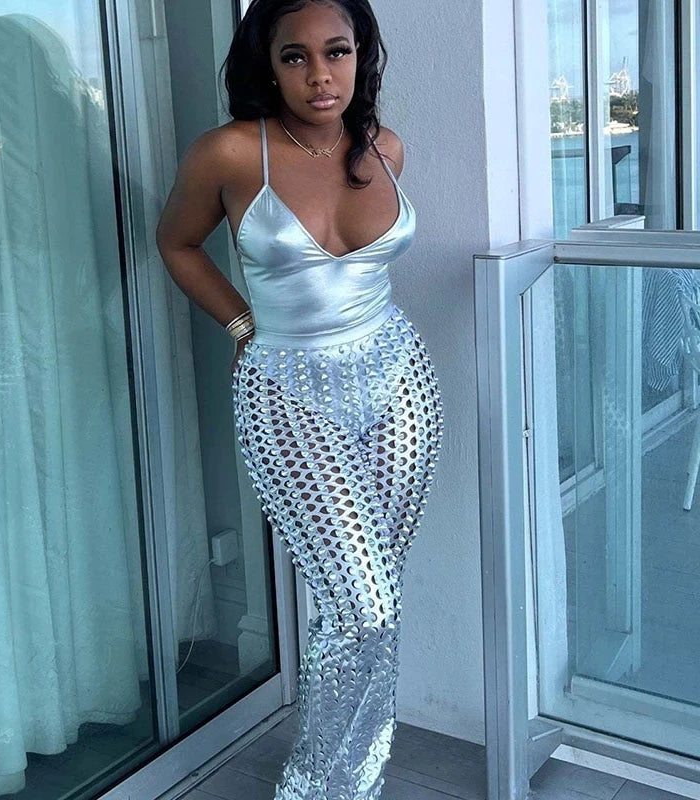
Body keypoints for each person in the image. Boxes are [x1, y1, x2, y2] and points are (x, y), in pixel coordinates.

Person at [156, 0, 444, 797]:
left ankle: (346, 780)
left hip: (399, 386)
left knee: (367, 605)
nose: (320, 76)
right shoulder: (229, 153)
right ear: (269, 64)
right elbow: (176, 242)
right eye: (295, 57)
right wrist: (241, 322)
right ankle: (318, 786)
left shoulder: (384, 147)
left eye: (337, 52)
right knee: (364, 610)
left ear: (361, 55)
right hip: (287, 393)